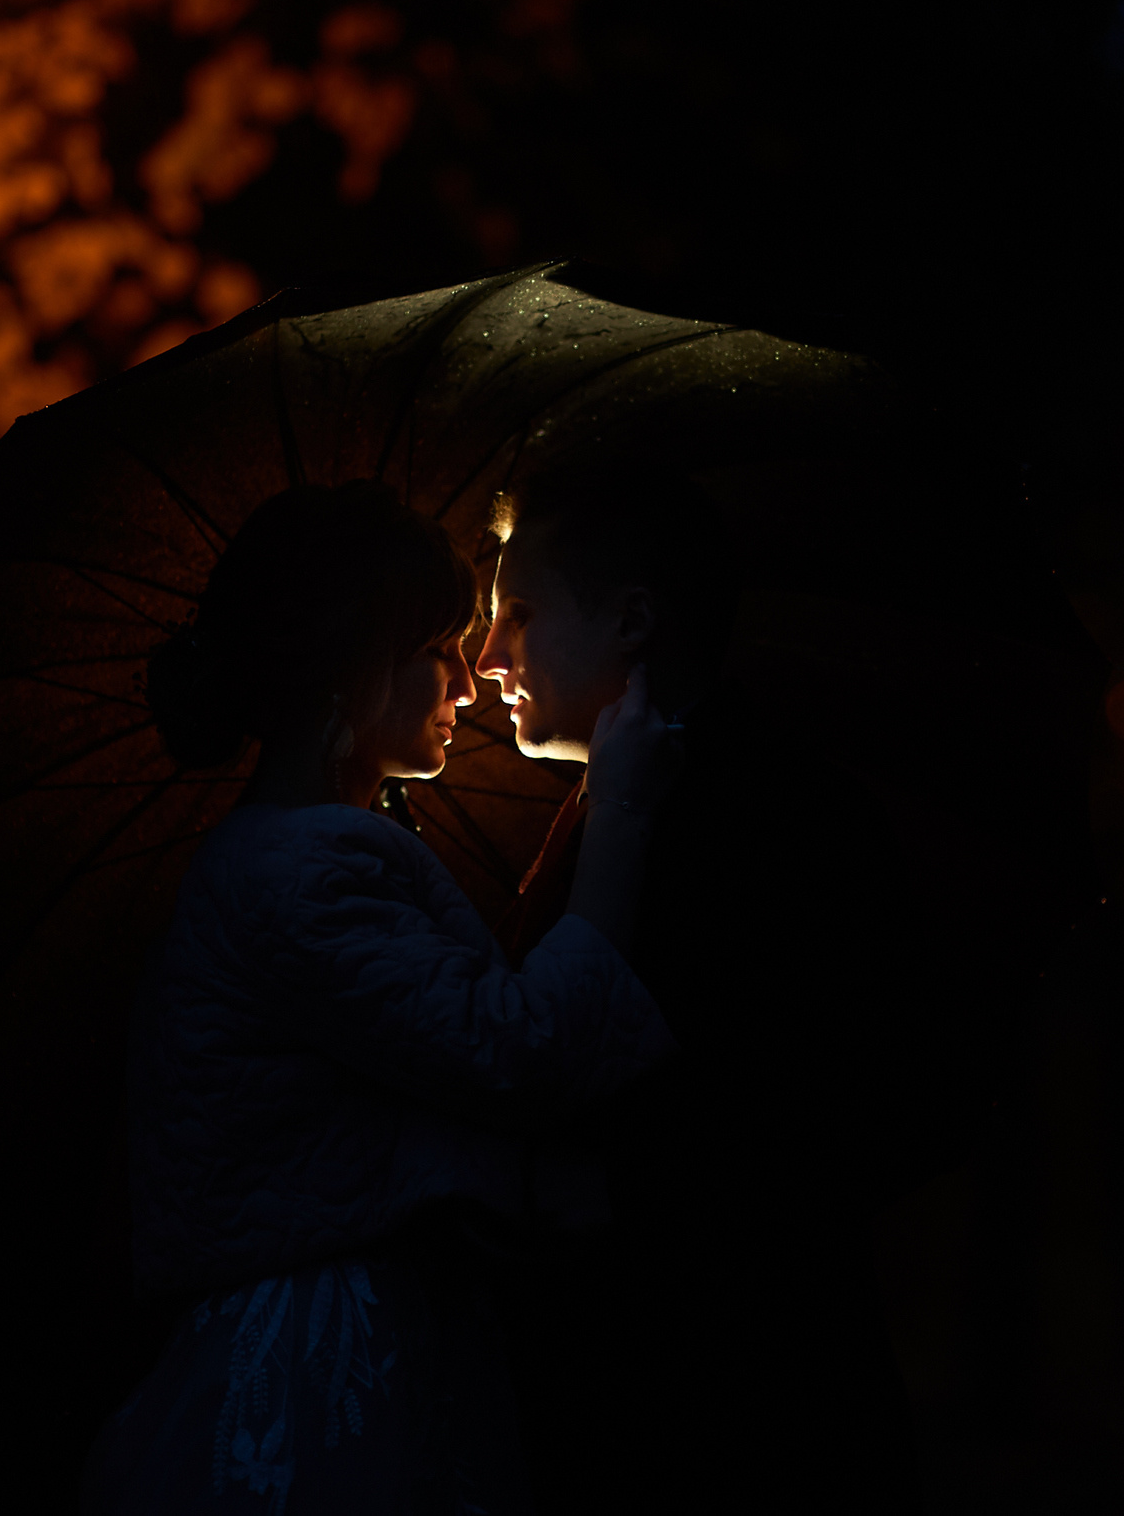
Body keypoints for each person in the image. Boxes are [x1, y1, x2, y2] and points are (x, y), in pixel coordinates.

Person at [82, 480, 679, 1516]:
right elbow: (517, 1050)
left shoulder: (311, 856)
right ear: (350, 674)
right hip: (324, 1369)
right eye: (438, 646)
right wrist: (618, 808)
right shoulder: (303, 871)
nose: (467, 672)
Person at [473, 464, 933, 1515]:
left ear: (632, 618)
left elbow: (859, 1101)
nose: (488, 657)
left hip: (741, 1416)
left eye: (521, 614)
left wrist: (618, 1192)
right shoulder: (613, 812)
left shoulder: (774, 823)